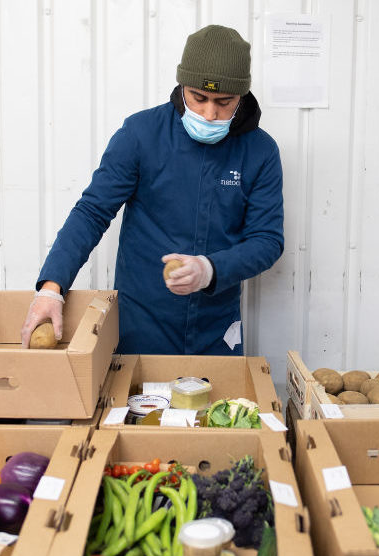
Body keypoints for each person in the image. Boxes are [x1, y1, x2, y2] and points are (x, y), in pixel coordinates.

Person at [20, 24, 284, 355]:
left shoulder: (260, 151)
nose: (209, 114)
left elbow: (267, 240)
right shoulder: (141, 134)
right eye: (198, 98)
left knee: (217, 392)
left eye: (224, 101)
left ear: (242, 96)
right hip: (141, 322)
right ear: (182, 85)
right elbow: (92, 212)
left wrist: (210, 270)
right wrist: (51, 288)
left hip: (216, 328)